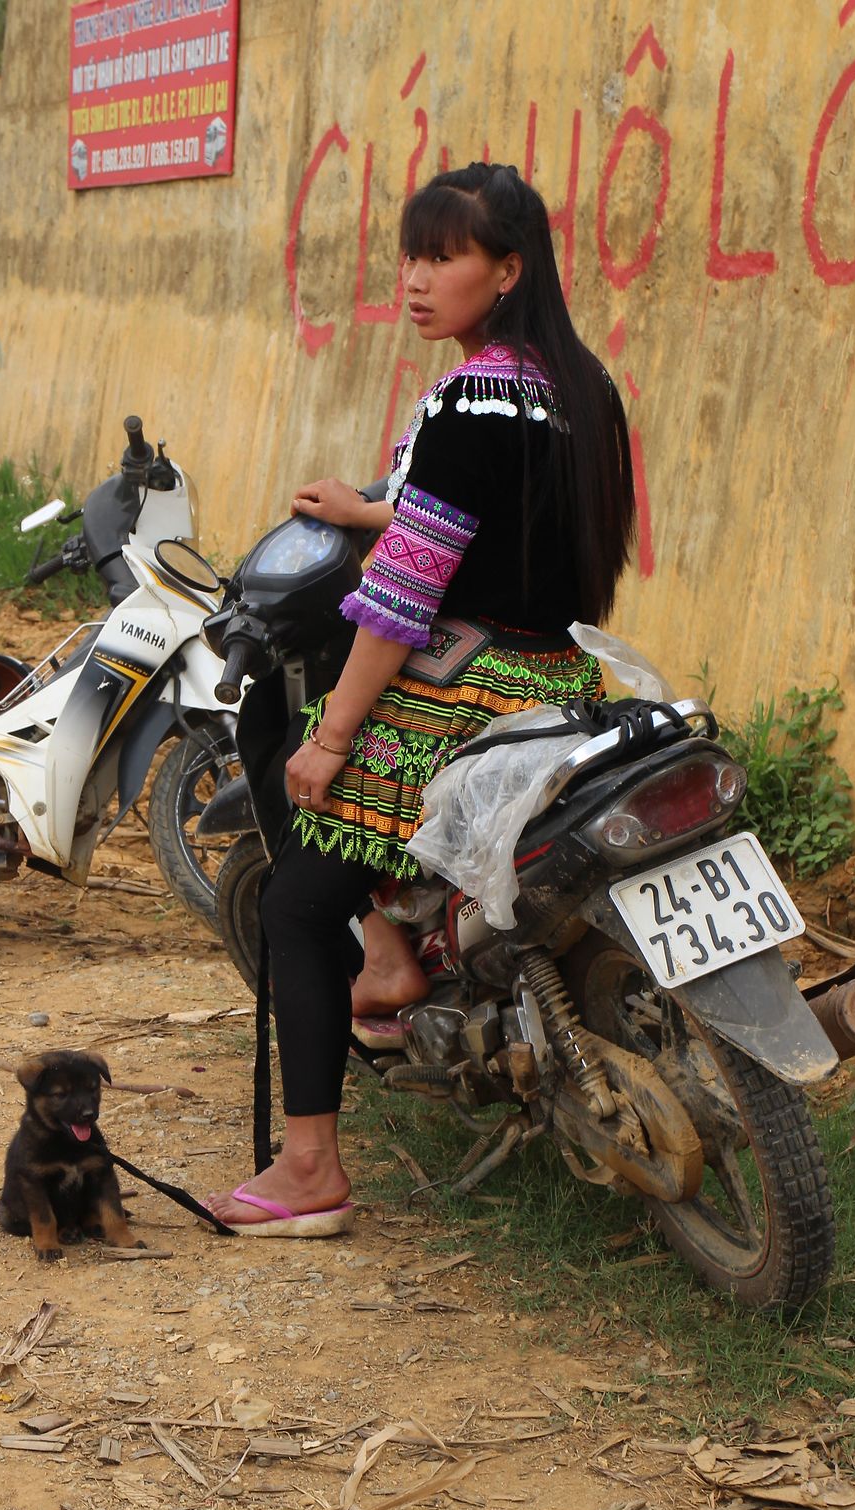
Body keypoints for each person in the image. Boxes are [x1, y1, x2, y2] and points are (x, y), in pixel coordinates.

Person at [205, 160, 635, 1232]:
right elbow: (493, 529)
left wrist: (334, 733)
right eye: (410, 254)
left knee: (301, 903)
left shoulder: (467, 394)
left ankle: (310, 1164)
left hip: (460, 692)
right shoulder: (581, 389)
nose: (414, 278)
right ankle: (402, 950)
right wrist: (369, 505)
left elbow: (402, 592)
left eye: (443, 256)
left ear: (507, 270)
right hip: (564, 681)